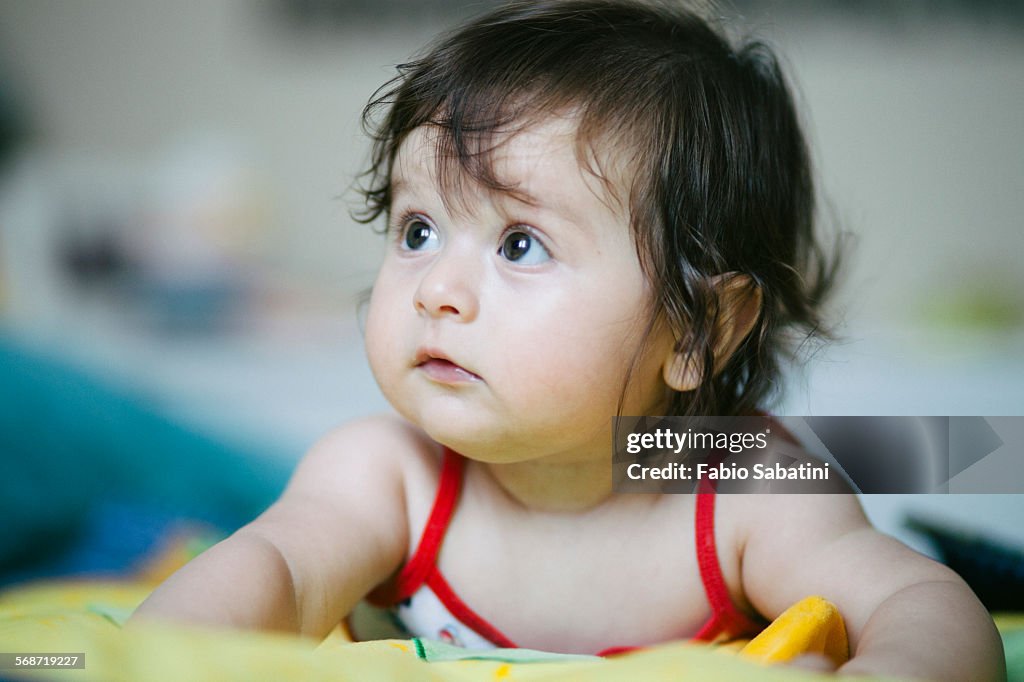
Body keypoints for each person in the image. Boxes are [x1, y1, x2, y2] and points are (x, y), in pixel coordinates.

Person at [131, 1, 1005, 678]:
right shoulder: (388, 475)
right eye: (417, 230)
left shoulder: (742, 489)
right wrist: (149, 653)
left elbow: (921, 600)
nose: (436, 289)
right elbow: (274, 572)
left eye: (520, 244)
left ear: (699, 329)